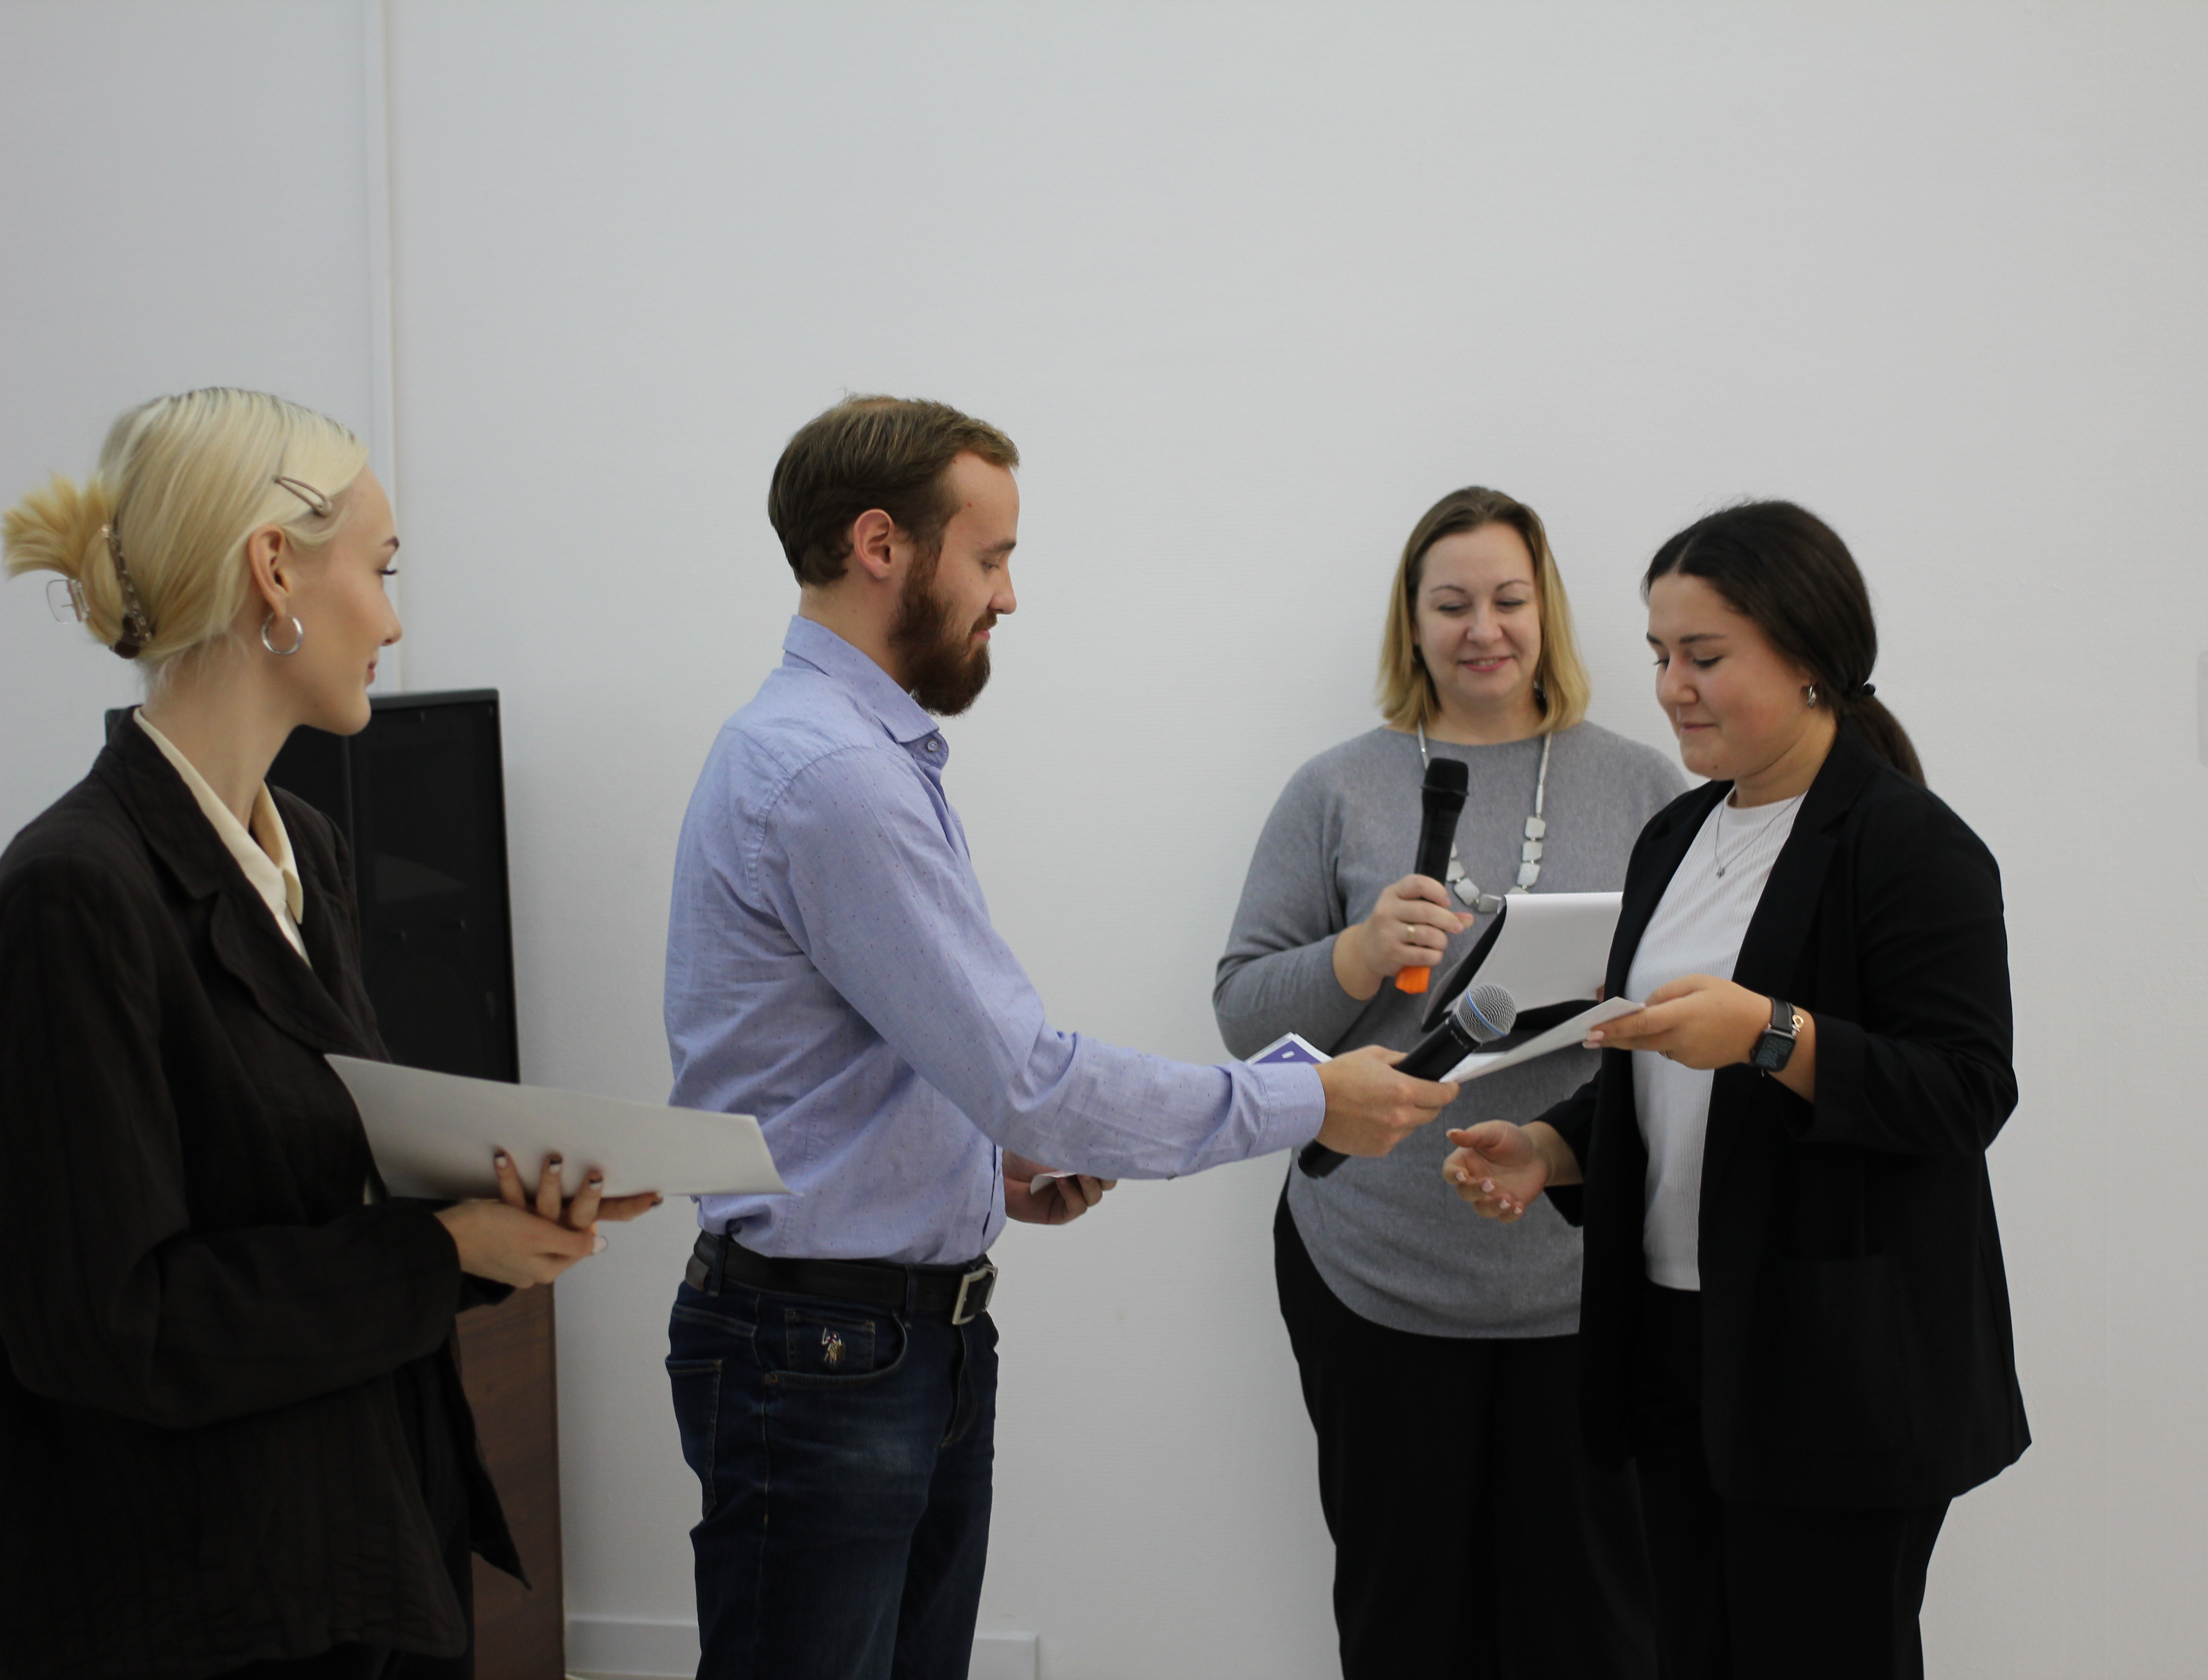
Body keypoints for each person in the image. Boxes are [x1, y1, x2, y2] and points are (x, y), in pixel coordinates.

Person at [661, 393, 1458, 1680]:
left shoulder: (846, 752)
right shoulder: (834, 777)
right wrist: (1311, 1103)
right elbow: (1029, 1077)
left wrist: (986, 1163)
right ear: (881, 545)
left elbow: (888, 1062)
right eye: (991, 557)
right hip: (827, 1360)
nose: (1010, 596)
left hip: (883, 1345)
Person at [0, 388, 657, 1680]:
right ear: (274, 571)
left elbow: (313, 1188)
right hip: (208, 1604)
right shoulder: (75, 892)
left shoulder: (309, 851)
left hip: (360, 1544)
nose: (395, 621)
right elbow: (115, 1326)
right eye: (383, 568)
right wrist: (440, 1251)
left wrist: (489, 1221)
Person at [1444, 501, 2026, 1680]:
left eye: (1704, 658)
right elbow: (1663, 1077)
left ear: (1809, 658)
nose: (1672, 688)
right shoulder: (1675, 836)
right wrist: (1553, 1150)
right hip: (1674, 1338)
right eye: (1661, 655)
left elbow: (1966, 1093)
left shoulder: (1910, 846)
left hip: (1833, 1361)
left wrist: (1772, 1033)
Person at [1214, 485, 1685, 1679]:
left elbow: (1703, 1008)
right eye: (1453, 604)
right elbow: (1243, 1014)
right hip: (1376, 1267)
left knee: (1599, 1624)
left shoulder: (1646, 786)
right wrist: (1358, 954)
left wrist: (1635, 1001)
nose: (1485, 629)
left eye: (1510, 600)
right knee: (1408, 1617)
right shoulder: (1336, 790)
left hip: (1582, 1274)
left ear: (1547, 613)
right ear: (1412, 623)